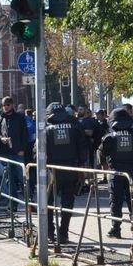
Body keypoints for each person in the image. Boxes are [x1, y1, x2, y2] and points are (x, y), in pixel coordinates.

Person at [41, 103, 87, 245]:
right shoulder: (75, 128)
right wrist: (81, 168)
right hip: (71, 169)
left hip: (51, 170)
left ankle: (49, 233)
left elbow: (38, 152)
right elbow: (83, 150)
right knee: (68, 202)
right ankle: (63, 234)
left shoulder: (46, 130)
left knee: (47, 203)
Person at [100, 108, 133, 239]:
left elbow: (102, 154)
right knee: (132, 200)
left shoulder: (109, 137)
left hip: (115, 172)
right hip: (132, 173)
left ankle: (116, 229)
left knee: (115, 202)